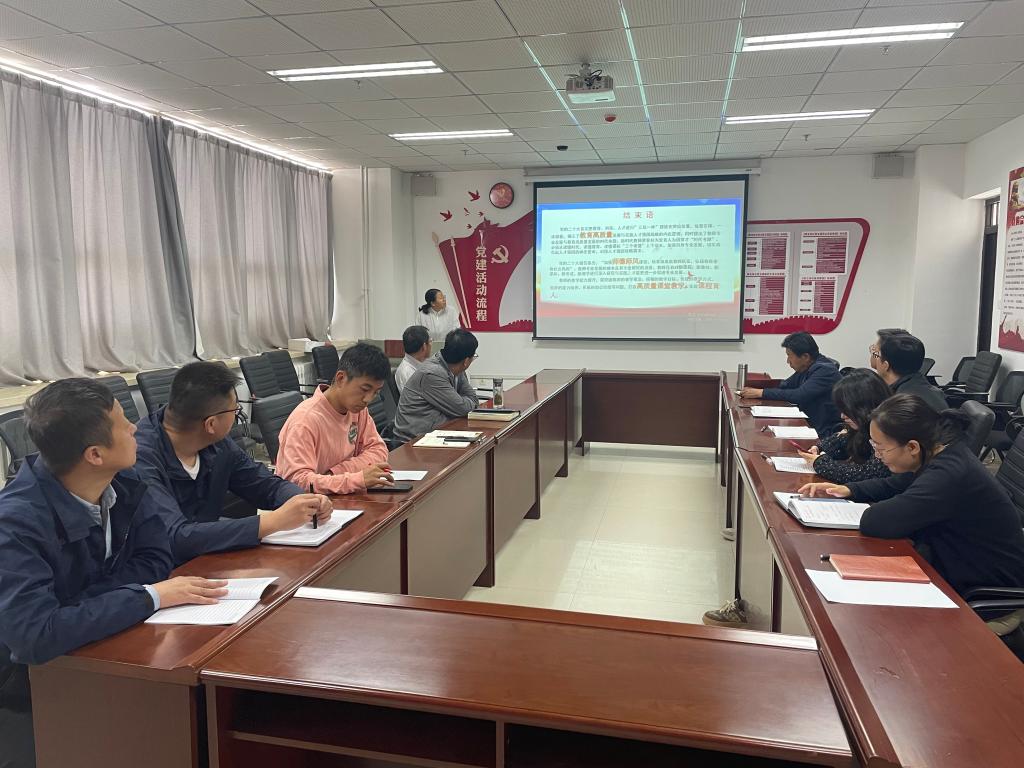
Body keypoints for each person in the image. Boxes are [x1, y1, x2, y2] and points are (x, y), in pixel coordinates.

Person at [0, 379, 228, 768]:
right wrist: (148, 596)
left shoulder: (124, 481)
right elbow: (35, 636)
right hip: (30, 690)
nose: (135, 428)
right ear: (95, 454)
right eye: (123, 424)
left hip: (103, 647)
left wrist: (82, 605)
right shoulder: (15, 523)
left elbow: (157, 557)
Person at [798, 395, 1024, 611]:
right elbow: (897, 483)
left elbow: (876, 521)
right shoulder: (940, 453)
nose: (878, 456)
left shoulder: (948, 475)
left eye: (880, 448)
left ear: (912, 447)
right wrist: (850, 490)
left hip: (981, 596)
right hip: (952, 568)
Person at [134, 362, 332, 564]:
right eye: (235, 411)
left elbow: (263, 484)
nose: (236, 417)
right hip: (163, 571)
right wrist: (272, 522)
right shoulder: (140, 459)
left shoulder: (216, 442)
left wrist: (303, 500)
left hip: (209, 557)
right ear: (211, 424)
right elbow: (175, 537)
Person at [276, 343, 395, 494]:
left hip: (339, 498)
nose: (368, 399)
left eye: (376, 392)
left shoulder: (358, 410)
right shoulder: (305, 421)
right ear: (341, 378)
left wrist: (336, 473)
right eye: (365, 389)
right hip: (305, 504)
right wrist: (356, 479)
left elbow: (378, 450)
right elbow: (298, 482)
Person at [796, 368, 892, 484]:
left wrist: (820, 463)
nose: (842, 416)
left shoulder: (888, 432)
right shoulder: (863, 427)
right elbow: (842, 440)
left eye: (847, 410)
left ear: (864, 406)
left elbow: (866, 474)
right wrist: (819, 448)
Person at [739, 331, 842, 435]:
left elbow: (800, 395)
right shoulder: (808, 366)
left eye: (789, 356)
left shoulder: (825, 370)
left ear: (805, 357)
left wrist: (761, 393)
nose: (788, 361)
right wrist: (755, 387)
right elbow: (785, 385)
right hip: (809, 424)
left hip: (824, 432)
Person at [393, 328, 480, 443]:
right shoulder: (432, 373)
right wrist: (461, 403)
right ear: (466, 361)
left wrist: (461, 403)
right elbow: (463, 409)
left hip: (434, 434)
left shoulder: (456, 369)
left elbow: (473, 401)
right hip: (413, 441)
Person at [875, 333, 948, 412]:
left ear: (885, 365)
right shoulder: (932, 391)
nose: (875, 359)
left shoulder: (901, 403)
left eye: (877, 355)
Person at [396, 325, 431, 393]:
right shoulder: (407, 373)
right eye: (430, 341)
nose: (431, 345)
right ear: (424, 347)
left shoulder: (420, 365)